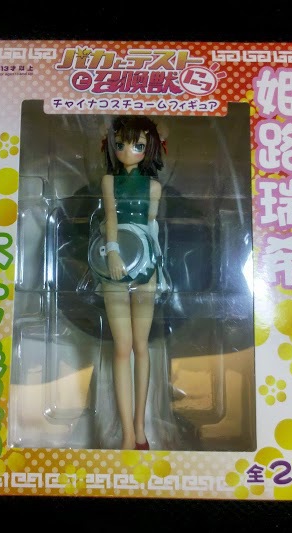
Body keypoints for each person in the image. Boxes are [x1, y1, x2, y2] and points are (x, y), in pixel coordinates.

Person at [92, 115, 167, 450]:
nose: (127, 151)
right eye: (120, 144)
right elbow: (110, 217)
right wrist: (112, 251)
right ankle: (125, 432)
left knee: (141, 346)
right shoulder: (109, 181)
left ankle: (140, 428)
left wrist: (156, 265)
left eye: (137, 145)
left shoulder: (154, 188)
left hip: (145, 262)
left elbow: (151, 227)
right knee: (122, 347)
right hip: (115, 261)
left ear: (150, 148)